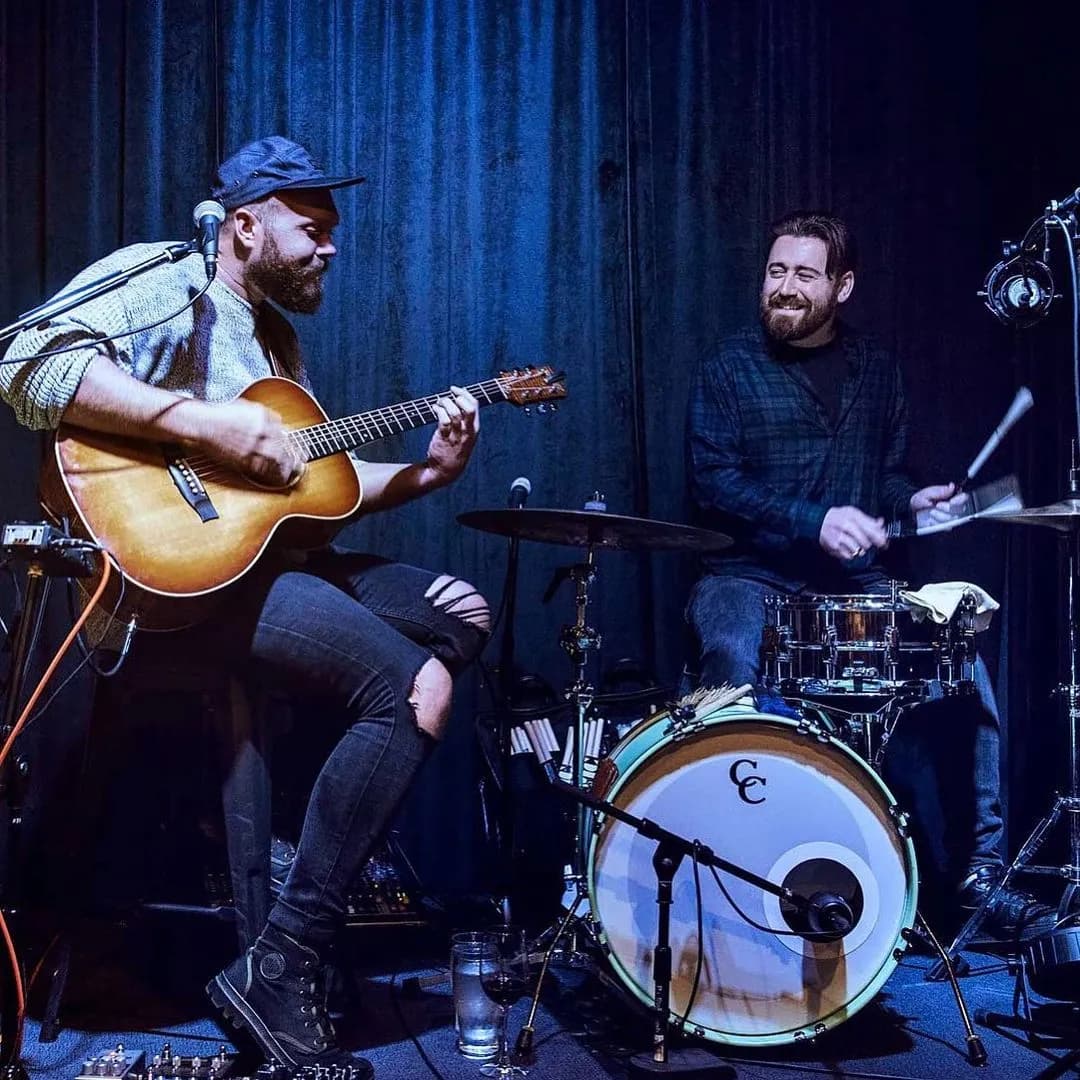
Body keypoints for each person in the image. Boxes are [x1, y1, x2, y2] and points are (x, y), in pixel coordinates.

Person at [0, 136, 492, 1077]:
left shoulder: (276, 341)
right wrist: (195, 420)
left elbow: (313, 496)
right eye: (312, 230)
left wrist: (429, 473)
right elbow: (26, 366)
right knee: (410, 690)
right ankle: (285, 959)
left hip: (261, 570)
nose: (331, 249)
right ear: (243, 227)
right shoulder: (166, 280)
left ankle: (309, 839)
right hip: (172, 593)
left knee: (460, 618)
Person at [684, 210, 1040, 935]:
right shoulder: (727, 367)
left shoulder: (877, 369)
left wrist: (909, 498)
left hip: (852, 586)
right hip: (750, 573)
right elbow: (712, 481)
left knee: (964, 663)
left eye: (804, 275)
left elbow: (882, 476)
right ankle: (738, 863)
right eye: (775, 271)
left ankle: (980, 876)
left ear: (842, 287)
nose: (783, 288)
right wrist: (810, 519)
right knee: (730, 658)